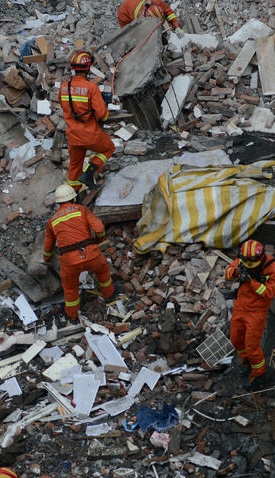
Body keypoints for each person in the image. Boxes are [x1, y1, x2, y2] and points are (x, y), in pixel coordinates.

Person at [43, 184, 114, 320]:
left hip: (70, 262)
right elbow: (99, 228)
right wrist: (100, 240)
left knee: (70, 289)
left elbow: (48, 245)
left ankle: (72, 315)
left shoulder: (52, 221)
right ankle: (109, 295)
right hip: (91, 254)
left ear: (58, 203)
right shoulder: (81, 210)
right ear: (73, 199)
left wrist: (47, 259)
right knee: (103, 270)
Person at [225, 240, 275, 382]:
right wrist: (234, 272)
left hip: (257, 312)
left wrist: (252, 282)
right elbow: (227, 274)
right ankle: (246, 360)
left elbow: (270, 293)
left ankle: (258, 372)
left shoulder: (273, 267)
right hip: (240, 306)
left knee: (252, 347)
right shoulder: (243, 259)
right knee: (236, 340)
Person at [59, 51, 114, 192]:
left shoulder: (64, 87)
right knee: (109, 148)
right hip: (90, 134)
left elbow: (66, 108)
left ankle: (73, 196)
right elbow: (102, 114)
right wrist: (108, 114)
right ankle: (90, 171)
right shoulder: (91, 88)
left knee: (75, 167)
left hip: (73, 136)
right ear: (88, 69)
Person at [117, 0, 182, 30]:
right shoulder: (138, 17)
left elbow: (169, 13)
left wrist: (176, 26)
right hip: (124, 14)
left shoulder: (157, 2)